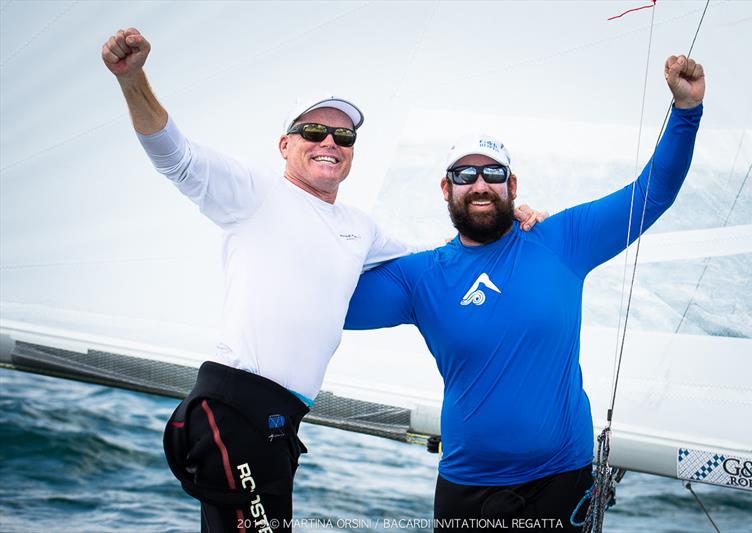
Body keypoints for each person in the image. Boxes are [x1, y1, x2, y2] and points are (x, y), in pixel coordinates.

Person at [101, 27, 544, 533]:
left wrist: (512, 221)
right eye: (314, 132)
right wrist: (133, 79)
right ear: (286, 144)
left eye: (344, 136)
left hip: (278, 422)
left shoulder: (360, 228)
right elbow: (174, 156)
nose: (330, 142)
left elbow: (443, 264)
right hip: (234, 406)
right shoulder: (255, 192)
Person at [345, 54, 705, 531]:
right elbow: (328, 301)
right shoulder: (421, 276)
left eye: (492, 173)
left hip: (558, 483)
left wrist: (686, 112)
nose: (479, 184)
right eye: (464, 174)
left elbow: (653, 192)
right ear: (445, 188)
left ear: (512, 185)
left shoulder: (562, 240)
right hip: (465, 489)